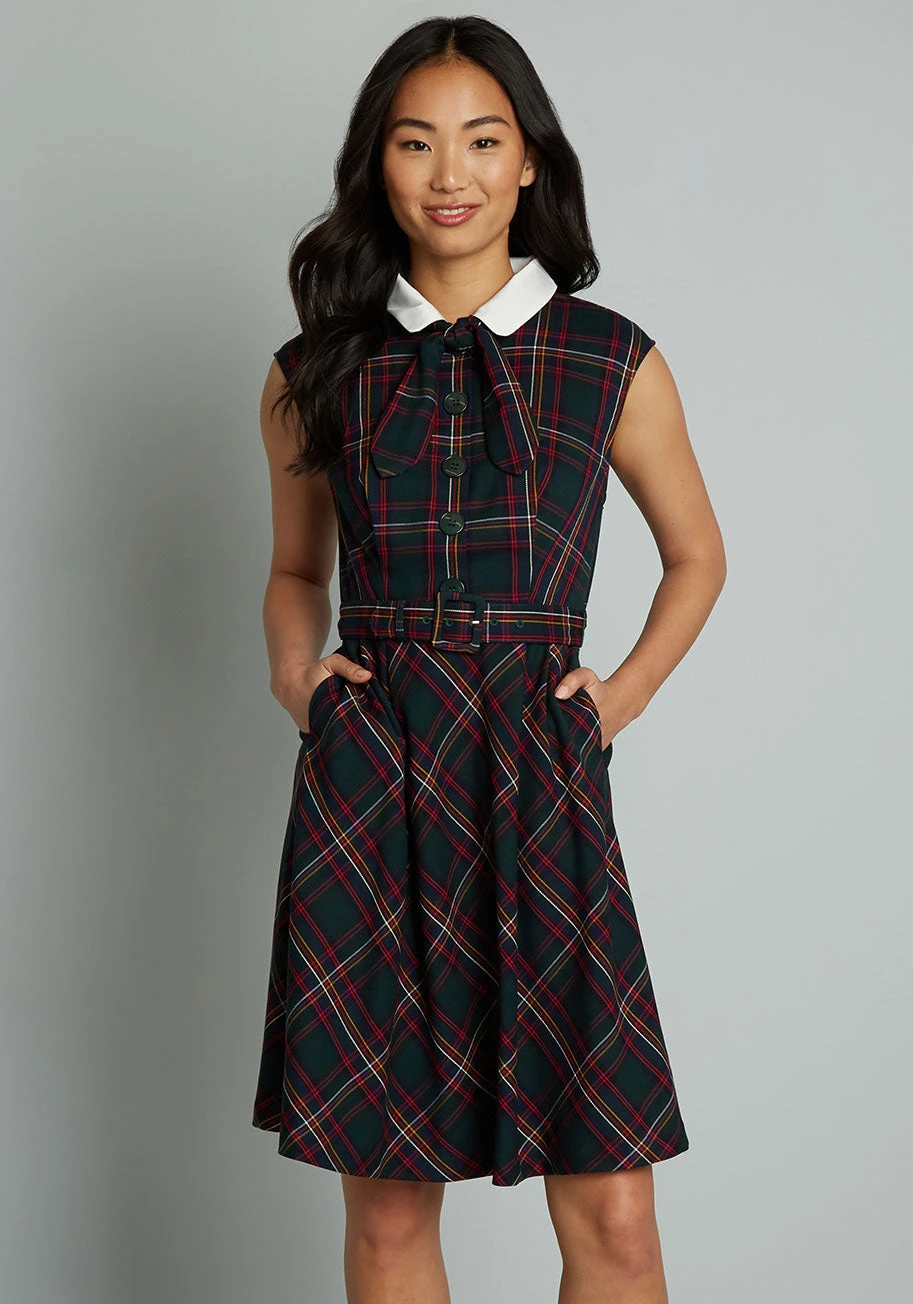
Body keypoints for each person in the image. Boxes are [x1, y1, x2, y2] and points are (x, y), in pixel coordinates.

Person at [251, 15, 725, 1304]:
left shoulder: (610, 359)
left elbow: (698, 557)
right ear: (378, 165)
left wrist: (617, 698)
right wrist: (299, 681)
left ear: (529, 164)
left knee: (615, 1215)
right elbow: (295, 575)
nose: (449, 172)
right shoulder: (314, 370)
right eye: (415, 142)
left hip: (542, 783)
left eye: (481, 139)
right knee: (390, 1215)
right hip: (374, 787)